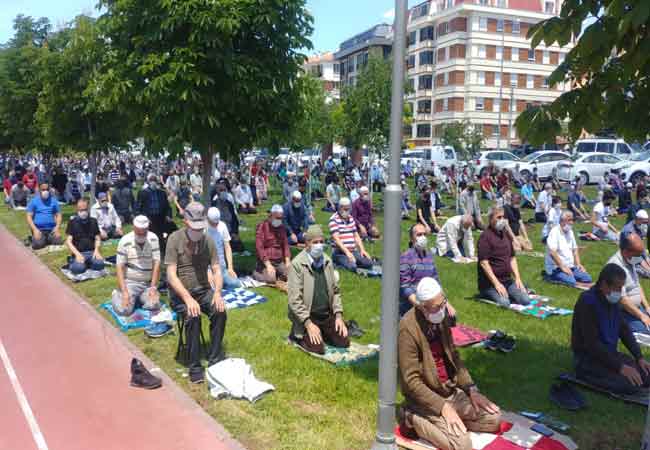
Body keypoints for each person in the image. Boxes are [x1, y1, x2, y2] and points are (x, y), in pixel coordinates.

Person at [397, 277, 501, 450]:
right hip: (425, 400)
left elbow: (454, 357)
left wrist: (471, 389)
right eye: (437, 307)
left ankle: (450, 424)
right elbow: (411, 381)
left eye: (443, 302)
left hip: (450, 392)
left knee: (494, 418)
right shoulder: (407, 329)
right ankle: (411, 417)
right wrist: (442, 407)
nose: (442, 309)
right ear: (423, 307)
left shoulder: (441, 318)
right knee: (462, 446)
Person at [165, 202, 226, 384]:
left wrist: (217, 293)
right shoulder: (174, 239)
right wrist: (187, 298)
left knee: (220, 311)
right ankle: (194, 365)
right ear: (185, 222)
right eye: (194, 228)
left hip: (203, 290)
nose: (198, 232)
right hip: (180, 294)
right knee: (193, 315)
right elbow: (170, 274)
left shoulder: (207, 241)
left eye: (201, 228)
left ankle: (215, 359)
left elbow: (216, 269)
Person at [571, 263, 650, 395]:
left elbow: (624, 330)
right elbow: (592, 344)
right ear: (604, 285)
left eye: (621, 288)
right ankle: (586, 376)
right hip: (588, 359)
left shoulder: (612, 302)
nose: (619, 292)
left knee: (646, 375)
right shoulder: (587, 302)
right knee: (630, 385)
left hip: (609, 355)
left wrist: (639, 357)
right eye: (617, 288)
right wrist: (620, 367)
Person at [287, 225, 349, 354]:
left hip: (326, 315)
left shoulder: (327, 261)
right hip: (307, 316)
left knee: (344, 342)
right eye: (315, 242)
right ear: (307, 244)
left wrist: (338, 315)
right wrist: (308, 323)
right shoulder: (297, 264)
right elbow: (294, 300)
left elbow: (336, 291)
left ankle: (323, 332)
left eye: (321, 242)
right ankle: (298, 334)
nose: (319, 245)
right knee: (318, 349)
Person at [112, 215, 165, 324]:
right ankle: (117, 294)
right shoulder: (124, 241)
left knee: (154, 305)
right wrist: (124, 291)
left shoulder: (153, 238)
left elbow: (157, 263)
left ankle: (139, 299)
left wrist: (153, 287)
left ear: (147, 229)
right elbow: (119, 267)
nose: (141, 235)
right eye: (138, 232)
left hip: (147, 283)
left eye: (143, 232)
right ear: (133, 228)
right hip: (130, 282)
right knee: (124, 311)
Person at [478, 207, 530, 307]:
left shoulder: (506, 235)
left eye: (503, 217)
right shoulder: (485, 237)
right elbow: (484, 263)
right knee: (504, 303)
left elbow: (512, 258)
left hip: (507, 281)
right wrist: (497, 284)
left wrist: (518, 278)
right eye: (499, 217)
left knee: (526, 300)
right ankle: (485, 295)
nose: (502, 220)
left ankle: (514, 291)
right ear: (491, 219)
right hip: (490, 285)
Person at [607, 234, 650, 334]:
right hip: (622, 311)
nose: (640, 258)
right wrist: (641, 316)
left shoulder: (630, 260)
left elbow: (637, 285)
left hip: (636, 308)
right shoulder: (615, 267)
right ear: (626, 251)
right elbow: (622, 299)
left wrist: (647, 307)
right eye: (638, 255)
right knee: (647, 331)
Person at [400, 224, 443, 317]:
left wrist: (445, 302)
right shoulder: (405, 258)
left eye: (424, 234)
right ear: (412, 239)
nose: (423, 237)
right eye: (419, 235)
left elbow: (436, 281)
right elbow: (405, 287)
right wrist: (420, 306)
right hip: (412, 304)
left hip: (430, 301)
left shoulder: (429, 256)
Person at [545, 211, 592, 287]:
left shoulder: (570, 232)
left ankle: (583, 283)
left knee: (587, 278)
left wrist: (578, 264)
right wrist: (562, 267)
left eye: (572, 220)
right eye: (569, 220)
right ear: (562, 221)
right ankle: (582, 285)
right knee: (571, 281)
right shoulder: (554, 232)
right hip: (556, 268)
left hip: (570, 266)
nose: (572, 222)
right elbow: (552, 252)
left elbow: (575, 249)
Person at [328, 197, 373, 271]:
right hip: (340, 252)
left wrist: (362, 250)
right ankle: (337, 262)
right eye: (345, 209)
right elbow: (336, 239)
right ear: (339, 208)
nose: (347, 211)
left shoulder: (351, 218)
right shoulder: (333, 219)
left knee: (368, 263)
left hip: (353, 250)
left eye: (348, 209)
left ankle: (353, 260)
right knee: (352, 267)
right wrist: (347, 252)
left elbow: (356, 236)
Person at [135, 174, 175, 257]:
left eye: (155, 180)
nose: (153, 182)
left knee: (174, 229)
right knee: (157, 235)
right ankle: (161, 250)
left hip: (161, 217)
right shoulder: (143, 193)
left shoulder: (162, 193)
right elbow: (139, 208)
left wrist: (168, 216)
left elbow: (168, 207)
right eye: (151, 180)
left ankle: (169, 245)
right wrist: (145, 218)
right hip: (149, 218)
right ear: (148, 181)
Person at [65, 199, 105, 275]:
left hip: (92, 252)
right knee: (78, 269)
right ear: (77, 210)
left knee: (100, 264)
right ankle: (73, 261)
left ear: (88, 209)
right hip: (79, 252)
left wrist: (97, 251)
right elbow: (68, 242)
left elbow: (97, 238)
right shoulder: (72, 222)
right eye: (81, 210)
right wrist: (77, 254)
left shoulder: (93, 221)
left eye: (85, 209)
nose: (83, 212)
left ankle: (87, 263)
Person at [253, 205, 291, 284]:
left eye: (281, 218)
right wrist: (268, 265)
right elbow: (259, 248)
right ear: (270, 216)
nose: (279, 220)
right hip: (265, 261)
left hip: (279, 261)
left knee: (291, 275)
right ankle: (256, 273)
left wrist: (287, 261)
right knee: (271, 279)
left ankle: (277, 273)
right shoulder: (262, 227)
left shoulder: (282, 228)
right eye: (277, 218)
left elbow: (285, 245)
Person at [206, 207, 241, 289]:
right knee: (211, 288)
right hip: (209, 267)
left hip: (221, 267)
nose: (215, 225)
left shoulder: (222, 226)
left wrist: (230, 267)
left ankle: (220, 282)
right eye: (213, 223)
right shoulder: (203, 229)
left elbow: (227, 247)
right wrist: (207, 271)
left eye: (217, 223)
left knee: (236, 284)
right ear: (207, 219)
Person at [26, 182, 63, 250]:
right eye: (43, 189)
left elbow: (59, 215)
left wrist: (57, 228)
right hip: (39, 229)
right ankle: (35, 238)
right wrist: (35, 229)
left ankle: (45, 239)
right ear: (39, 190)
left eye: (47, 189)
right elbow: (29, 217)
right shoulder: (33, 201)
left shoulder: (54, 201)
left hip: (51, 229)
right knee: (37, 245)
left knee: (59, 241)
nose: (45, 191)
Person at [620, 210, 650, 278]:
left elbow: (641, 248)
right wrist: (645, 265)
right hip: (629, 255)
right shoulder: (628, 231)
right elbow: (631, 252)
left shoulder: (639, 227)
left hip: (637, 253)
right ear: (638, 219)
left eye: (646, 222)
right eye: (644, 222)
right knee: (647, 273)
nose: (645, 224)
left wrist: (647, 259)